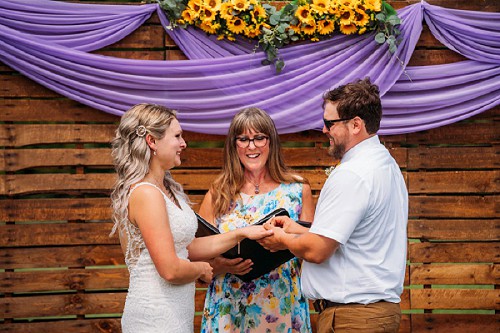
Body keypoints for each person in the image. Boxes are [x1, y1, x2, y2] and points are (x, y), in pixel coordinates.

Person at [259, 78, 408, 333]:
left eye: (330, 123)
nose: (324, 130)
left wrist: (282, 239)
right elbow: (354, 239)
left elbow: (318, 251)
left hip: (354, 318)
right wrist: (299, 229)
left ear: (355, 125)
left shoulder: (353, 173)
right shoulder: (385, 164)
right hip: (374, 313)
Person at [109, 103, 273, 333]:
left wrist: (242, 233)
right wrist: (203, 270)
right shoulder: (146, 193)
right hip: (154, 316)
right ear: (152, 141)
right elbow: (170, 270)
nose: (183, 143)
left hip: (175, 313)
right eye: (177, 136)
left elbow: (188, 247)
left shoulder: (169, 190)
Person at [198, 107, 315, 332]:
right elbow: (196, 255)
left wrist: (285, 242)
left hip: (282, 303)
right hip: (228, 307)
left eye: (259, 138)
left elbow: (312, 249)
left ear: (271, 142)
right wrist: (220, 265)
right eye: (243, 139)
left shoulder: (298, 189)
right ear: (234, 145)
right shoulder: (218, 192)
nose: (251, 146)